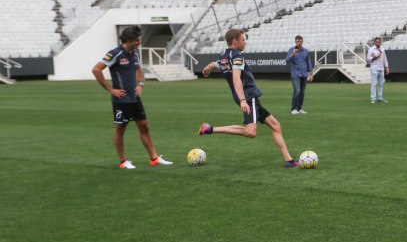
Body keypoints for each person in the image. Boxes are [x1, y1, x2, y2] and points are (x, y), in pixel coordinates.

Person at [198, 28, 300, 167]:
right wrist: (242, 100)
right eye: (243, 39)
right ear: (235, 41)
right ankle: (210, 129)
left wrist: (207, 68)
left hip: (249, 98)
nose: (245, 42)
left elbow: (213, 64)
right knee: (250, 131)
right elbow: (236, 79)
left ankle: (289, 161)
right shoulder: (237, 56)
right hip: (247, 97)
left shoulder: (223, 56)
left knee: (276, 125)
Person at [92, 25, 173, 169]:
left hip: (135, 99)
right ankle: (123, 161)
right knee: (120, 129)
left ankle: (154, 158)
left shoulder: (135, 55)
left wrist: (140, 84)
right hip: (121, 100)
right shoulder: (114, 53)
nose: (139, 43)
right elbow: (96, 69)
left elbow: (139, 70)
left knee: (144, 126)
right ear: (127, 40)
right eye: (136, 40)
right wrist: (111, 89)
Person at [285, 35, 313, 114]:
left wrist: (310, 73)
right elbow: (287, 60)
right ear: (295, 41)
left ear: (302, 42)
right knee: (297, 90)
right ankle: (293, 109)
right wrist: (293, 53)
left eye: (300, 41)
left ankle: (299, 108)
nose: (299, 43)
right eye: (298, 41)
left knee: (302, 92)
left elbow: (308, 62)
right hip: (295, 74)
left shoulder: (306, 51)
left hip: (304, 74)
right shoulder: (291, 50)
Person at [367, 36, 389, 104]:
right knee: (374, 84)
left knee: (381, 84)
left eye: (379, 42)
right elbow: (367, 59)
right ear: (374, 42)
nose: (378, 43)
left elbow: (385, 58)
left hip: (381, 68)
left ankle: (380, 98)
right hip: (374, 68)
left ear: (380, 42)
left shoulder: (382, 49)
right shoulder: (371, 49)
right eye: (376, 42)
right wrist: (374, 57)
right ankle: (373, 98)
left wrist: (387, 67)